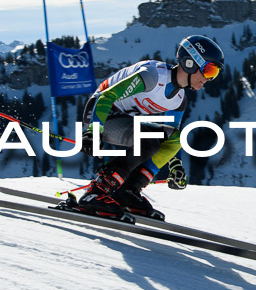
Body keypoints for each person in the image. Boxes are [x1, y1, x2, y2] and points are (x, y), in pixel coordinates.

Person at [74, 35, 224, 222]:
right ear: (190, 62)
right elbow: (106, 96)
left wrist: (174, 165)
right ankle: (96, 191)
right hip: (99, 113)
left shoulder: (178, 99)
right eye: (209, 70)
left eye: (214, 73)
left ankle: (128, 191)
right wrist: (92, 132)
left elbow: (169, 138)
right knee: (147, 140)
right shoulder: (152, 77)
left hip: (123, 119)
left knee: (174, 136)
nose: (209, 79)